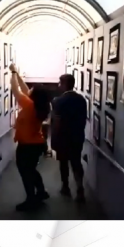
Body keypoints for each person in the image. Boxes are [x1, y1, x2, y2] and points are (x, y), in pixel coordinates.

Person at [9, 62, 50, 211]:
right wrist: (17, 74)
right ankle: (41, 192)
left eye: (32, 89)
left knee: (25, 172)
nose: (29, 89)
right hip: (36, 143)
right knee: (31, 170)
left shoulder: (29, 105)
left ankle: (31, 199)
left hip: (27, 145)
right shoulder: (38, 104)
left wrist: (13, 73)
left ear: (35, 94)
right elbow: (25, 90)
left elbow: (16, 90)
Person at [51, 73, 87, 202]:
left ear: (65, 84)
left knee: (63, 163)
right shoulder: (82, 100)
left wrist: (53, 142)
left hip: (63, 139)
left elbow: (57, 123)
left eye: (60, 83)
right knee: (76, 162)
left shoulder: (58, 101)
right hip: (77, 137)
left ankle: (65, 187)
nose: (59, 86)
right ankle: (80, 188)